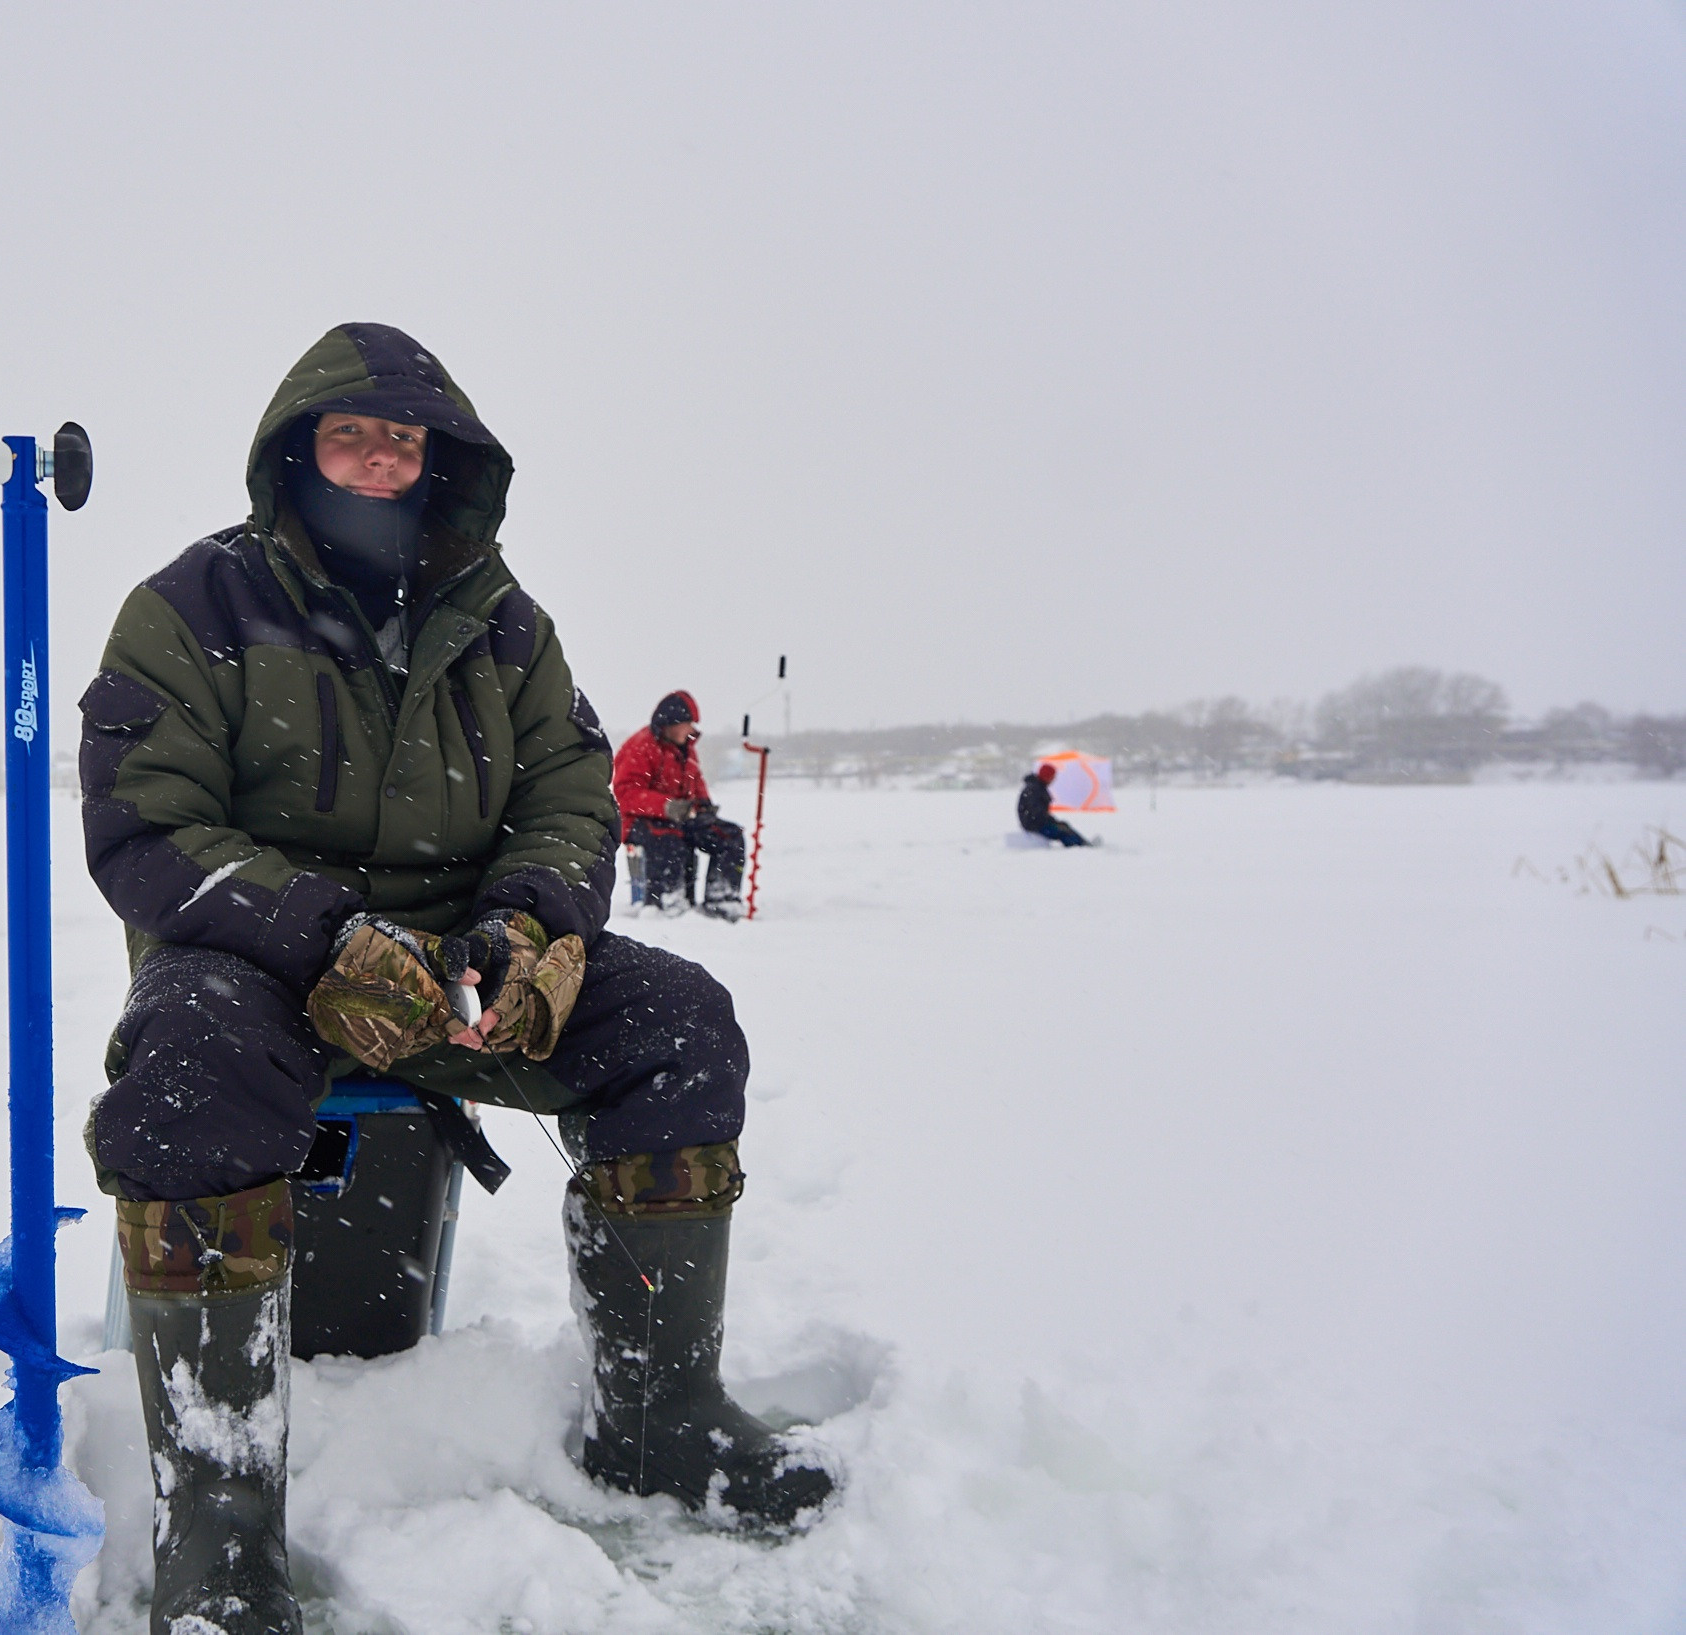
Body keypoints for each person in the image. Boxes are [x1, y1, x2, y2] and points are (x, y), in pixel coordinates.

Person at [78, 324, 833, 1633]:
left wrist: (534, 931)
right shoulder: (189, 609)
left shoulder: (506, 626)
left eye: (406, 440)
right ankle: (219, 1521)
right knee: (187, 1074)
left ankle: (657, 1424)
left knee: (679, 1027)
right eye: (353, 435)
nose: (379, 460)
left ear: (445, 463)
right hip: (257, 972)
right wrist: (321, 937)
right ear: (296, 448)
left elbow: (567, 796)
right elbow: (146, 822)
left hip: (461, 976)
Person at [613, 691, 748, 919]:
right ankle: (667, 903)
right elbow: (626, 793)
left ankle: (722, 900)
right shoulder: (641, 746)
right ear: (670, 724)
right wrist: (666, 807)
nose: (691, 730)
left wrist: (704, 805)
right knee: (669, 839)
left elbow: (695, 780)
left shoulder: (686, 748)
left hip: (682, 818)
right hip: (640, 821)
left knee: (729, 836)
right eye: (688, 724)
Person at [1018, 760, 1092, 846]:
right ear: (1047, 776)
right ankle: (1078, 847)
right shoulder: (1035, 789)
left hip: (1035, 822)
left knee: (1064, 826)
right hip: (1034, 825)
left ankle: (1082, 844)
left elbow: (1039, 812)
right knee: (1063, 831)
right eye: (1052, 776)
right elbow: (1036, 812)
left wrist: (1052, 821)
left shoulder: (1037, 787)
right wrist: (1050, 822)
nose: (1053, 779)